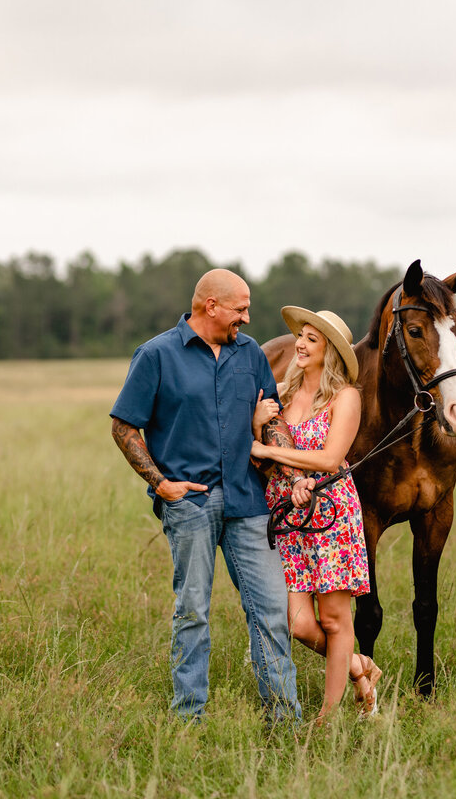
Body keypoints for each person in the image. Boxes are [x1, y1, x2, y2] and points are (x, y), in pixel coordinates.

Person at [109, 269, 301, 725]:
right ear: (210, 305)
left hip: (247, 499)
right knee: (193, 611)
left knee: (270, 610)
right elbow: (123, 426)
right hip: (190, 503)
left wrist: (288, 463)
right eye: (241, 308)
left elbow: (271, 419)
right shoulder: (156, 355)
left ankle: (284, 720)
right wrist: (161, 484)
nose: (248, 318)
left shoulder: (250, 354)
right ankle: (188, 718)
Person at [250, 307, 383, 720]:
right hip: (288, 514)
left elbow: (329, 459)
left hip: (330, 511)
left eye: (313, 339)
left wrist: (268, 448)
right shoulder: (281, 393)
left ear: (332, 352)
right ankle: (361, 668)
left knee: (335, 618)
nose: (302, 344)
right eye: (301, 336)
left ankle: (328, 715)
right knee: (299, 623)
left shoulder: (346, 396)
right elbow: (258, 452)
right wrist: (257, 426)